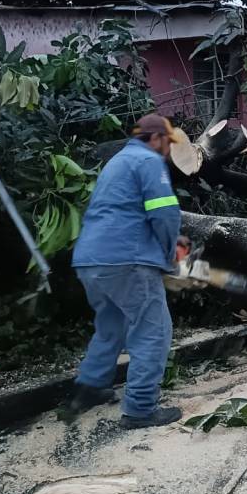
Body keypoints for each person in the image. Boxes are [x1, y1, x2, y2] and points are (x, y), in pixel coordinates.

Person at [69, 113, 186, 429]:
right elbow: (164, 213)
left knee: (112, 324)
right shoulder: (148, 162)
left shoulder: (117, 163)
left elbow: (123, 211)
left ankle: (90, 388)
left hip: (91, 259)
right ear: (156, 138)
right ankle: (139, 409)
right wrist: (169, 253)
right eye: (167, 143)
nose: (167, 150)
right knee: (153, 331)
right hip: (127, 260)